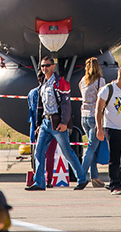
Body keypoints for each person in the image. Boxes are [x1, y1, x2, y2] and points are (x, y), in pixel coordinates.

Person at [28, 57, 89, 191]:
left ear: (53, 66)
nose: (45, 68)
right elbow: (40, 105)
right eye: (43, 66)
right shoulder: (43, 83)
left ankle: (82, 178)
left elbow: (66, 104)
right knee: (38, 152)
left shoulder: (60, 83)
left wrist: (64, 122)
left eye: (47, 66)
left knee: (67, 152)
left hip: (57, 123)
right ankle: (39, 182)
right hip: (45, 122)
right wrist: (38, 124)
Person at [96, 64, 121, 194]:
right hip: (112, 128)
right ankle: (115, 185)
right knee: (115, 157)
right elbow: (98, 109)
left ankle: (118, 177)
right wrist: (99, 128)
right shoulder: (107, 90)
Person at [79, 57, 107, 188]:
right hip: (94, 117)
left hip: (83, 116)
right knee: (91, 148)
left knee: (93, 149)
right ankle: (82, 175)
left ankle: (94, 177)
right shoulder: (101, 81)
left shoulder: (82, 81)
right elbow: (102, 100)